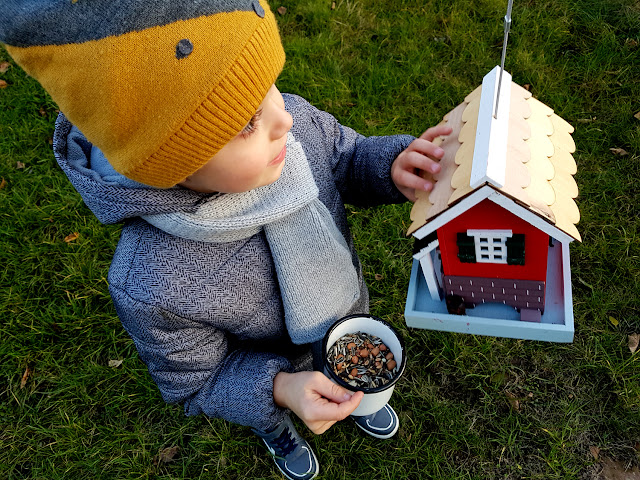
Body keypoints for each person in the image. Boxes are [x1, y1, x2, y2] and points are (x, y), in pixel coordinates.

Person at [0, 1, 451, 478]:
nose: (286, 120)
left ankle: (364, 396)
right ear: (172, 164)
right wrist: (280, 388)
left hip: (345, 319)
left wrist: (388, 167)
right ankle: (278, 433)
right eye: (245, 123)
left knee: (361, 375)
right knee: (267, 410)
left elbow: (344, 158)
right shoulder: (154, 281)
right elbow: (199, 380)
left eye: (270, 86)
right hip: (270, 367)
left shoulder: (290, 129)